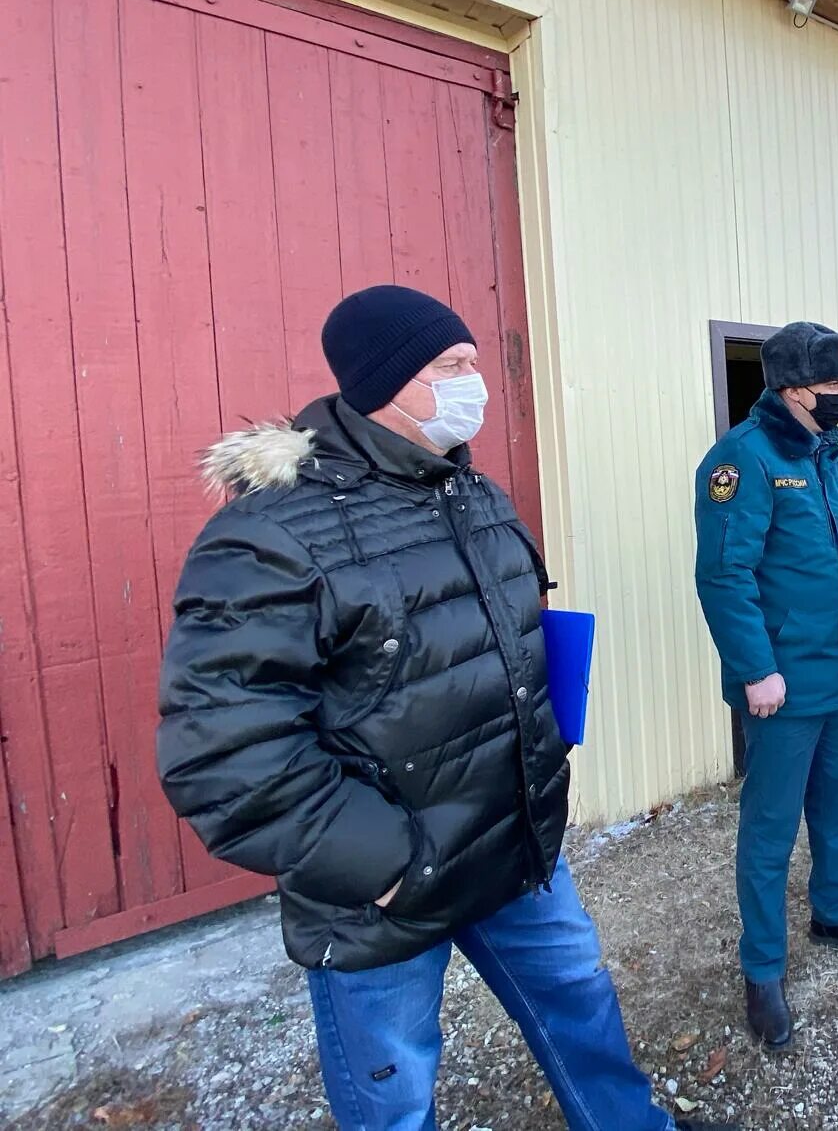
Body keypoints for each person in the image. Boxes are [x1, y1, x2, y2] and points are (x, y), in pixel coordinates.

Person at [157, 285, 732, 1131]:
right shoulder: (273, 534)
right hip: (385, 886)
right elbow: (222, 751)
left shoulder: (470, 492)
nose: (477, 383)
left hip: (513, 845)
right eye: (452, 366)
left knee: (583, 1011)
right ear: (388, 381)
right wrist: (385, 867)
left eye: (471, 361)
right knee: (394, 1095)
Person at [693, 321, 838, 1051]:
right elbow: (725, 574)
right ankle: (763, 970)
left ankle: (835, 911)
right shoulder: (741, 460)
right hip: (782, 684)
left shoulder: (831, 452)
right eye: (831, 385)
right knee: (771, 830)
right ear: (790, 388)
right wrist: (756, 669)